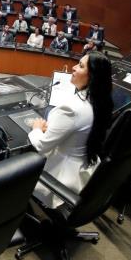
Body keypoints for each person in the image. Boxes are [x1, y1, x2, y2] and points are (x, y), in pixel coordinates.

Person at [30, 52, 113, 208]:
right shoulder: (100, 101)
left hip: (59, 177)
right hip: (83, 171)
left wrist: (36, 129)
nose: (74, 68)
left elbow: (41, 145)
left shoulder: (72, 109)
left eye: (80, 66)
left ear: (92, 76)